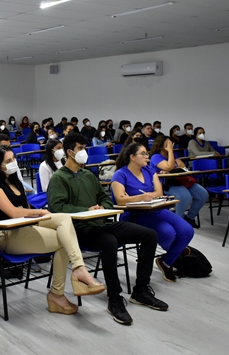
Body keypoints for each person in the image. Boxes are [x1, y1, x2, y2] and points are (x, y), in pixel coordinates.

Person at [47, 133, 168, 325]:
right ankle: (114, 299)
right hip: (79, 230)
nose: (84, 152)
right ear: (69, 152)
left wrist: (103, 207)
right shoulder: (59, 178)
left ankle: (141, 290)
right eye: (80, 149)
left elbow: (105, 198)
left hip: (101, 223)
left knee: (149, 235)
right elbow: (58, 208)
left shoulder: (88, 175)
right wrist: (87, 209)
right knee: (109, 242)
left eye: (85, 148)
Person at [0, 145, 105, 315]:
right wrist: (38, 211)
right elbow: (13, 212)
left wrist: (35, 213)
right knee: (63, 242)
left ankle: (78, 268)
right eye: (8, 161)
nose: (13, 162)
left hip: (24, 225)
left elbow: (23, 208)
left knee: (64, 218)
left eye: (13, 158)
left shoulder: (13, 179)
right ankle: (57, 294)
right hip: (4, 233)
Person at [111, 142, 194, 284]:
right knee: (168, 233)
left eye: (146, 153)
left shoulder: (149, 170)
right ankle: (176, 252)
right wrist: (141, 197)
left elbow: (159, 192)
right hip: (135, 214)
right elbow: (120, 200)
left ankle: (166, 261)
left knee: (187, 230)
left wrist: (146, 196)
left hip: (155, 208)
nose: (146, 156)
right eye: (142, 153)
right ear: (132, 157)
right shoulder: (120, 174)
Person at [149, 136, 208, 229]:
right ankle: (178, 220)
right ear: (161, 145)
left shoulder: (172, 155)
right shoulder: (155, 157)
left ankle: (190, 217)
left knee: (203, 194)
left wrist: (171, 166)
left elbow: (182, 165)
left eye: (171, 143)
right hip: (166, 183)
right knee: (184, 197)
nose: (170, 145)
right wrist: (171, 155)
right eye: (168, 143)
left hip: (181, 180)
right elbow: (169, 166)